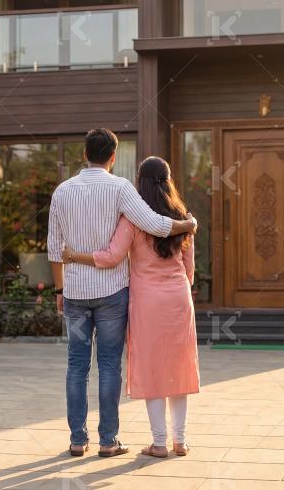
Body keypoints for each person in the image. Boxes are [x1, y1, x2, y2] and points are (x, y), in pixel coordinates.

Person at [47, 129, 197, 458]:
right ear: (113, 157)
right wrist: (187, 225)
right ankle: (108, 440)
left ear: (84, 154)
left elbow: (54, 249)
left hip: (75, 291)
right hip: (113, 292)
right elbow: (157, 227)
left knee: (76, 365)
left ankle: (77, 440)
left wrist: (60, 289)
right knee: (110, 365)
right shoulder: (121, 189)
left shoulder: (62, 191)